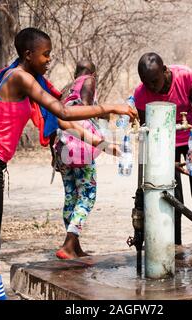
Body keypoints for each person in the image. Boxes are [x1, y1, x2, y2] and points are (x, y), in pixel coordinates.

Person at [0, 28, 137, 300]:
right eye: (45, 54)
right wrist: (111, 107)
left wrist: (103, 145)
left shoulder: (22, 77)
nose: (49, 59)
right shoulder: (21, 78)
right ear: (28, 55)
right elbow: (63, 110)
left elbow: (63, 122)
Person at [134, 52, 192, 247]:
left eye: (155, 81)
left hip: (191, 141)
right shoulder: (141, 93)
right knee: (174, 201)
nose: (152, 87)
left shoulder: (184, 76)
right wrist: (167, 162)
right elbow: (147, 130)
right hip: (164, 146)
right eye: (147, 83)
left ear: (165, 70)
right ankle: (175, 249)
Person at [54, 60, 120, 259]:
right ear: (93, 73)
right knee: (87, 196)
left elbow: (56, 119)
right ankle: (69, 243)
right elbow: (84, 109)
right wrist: (105, 113)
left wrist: (53, 155)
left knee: (70, 196)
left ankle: (74, 247)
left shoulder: (66, 89)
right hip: (80, 147)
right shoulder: (89, 81)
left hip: (63, 147)